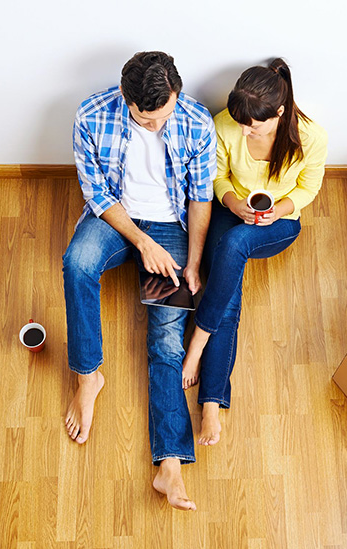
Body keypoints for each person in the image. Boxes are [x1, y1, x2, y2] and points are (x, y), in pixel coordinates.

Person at [62, 51, 216, 510]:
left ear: (176, 94)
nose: (156, 127)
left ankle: (169, 465)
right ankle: (88, 377)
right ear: (126, 99)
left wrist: (192, 261)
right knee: (77, 263)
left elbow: (200, 197)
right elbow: (98, 194)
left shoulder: (195, 121)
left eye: (164, 116)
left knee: (167, 337)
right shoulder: (91, 115)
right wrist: (140, 243)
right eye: (145, 119)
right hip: (117, 218)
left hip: (171, 228)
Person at [181, 58, 328, 445]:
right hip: (233, 211)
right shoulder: (224, 125)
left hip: (278, 222)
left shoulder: (311, 138)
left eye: (255, 125)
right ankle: (212, 401)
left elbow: (307, 191)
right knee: (228, 285)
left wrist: (276, 211)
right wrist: (232, 203)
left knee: (233, 246)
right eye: (241, 122)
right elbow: (216, 176)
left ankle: (197, 340)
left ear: (280, 113)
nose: (246, 131)